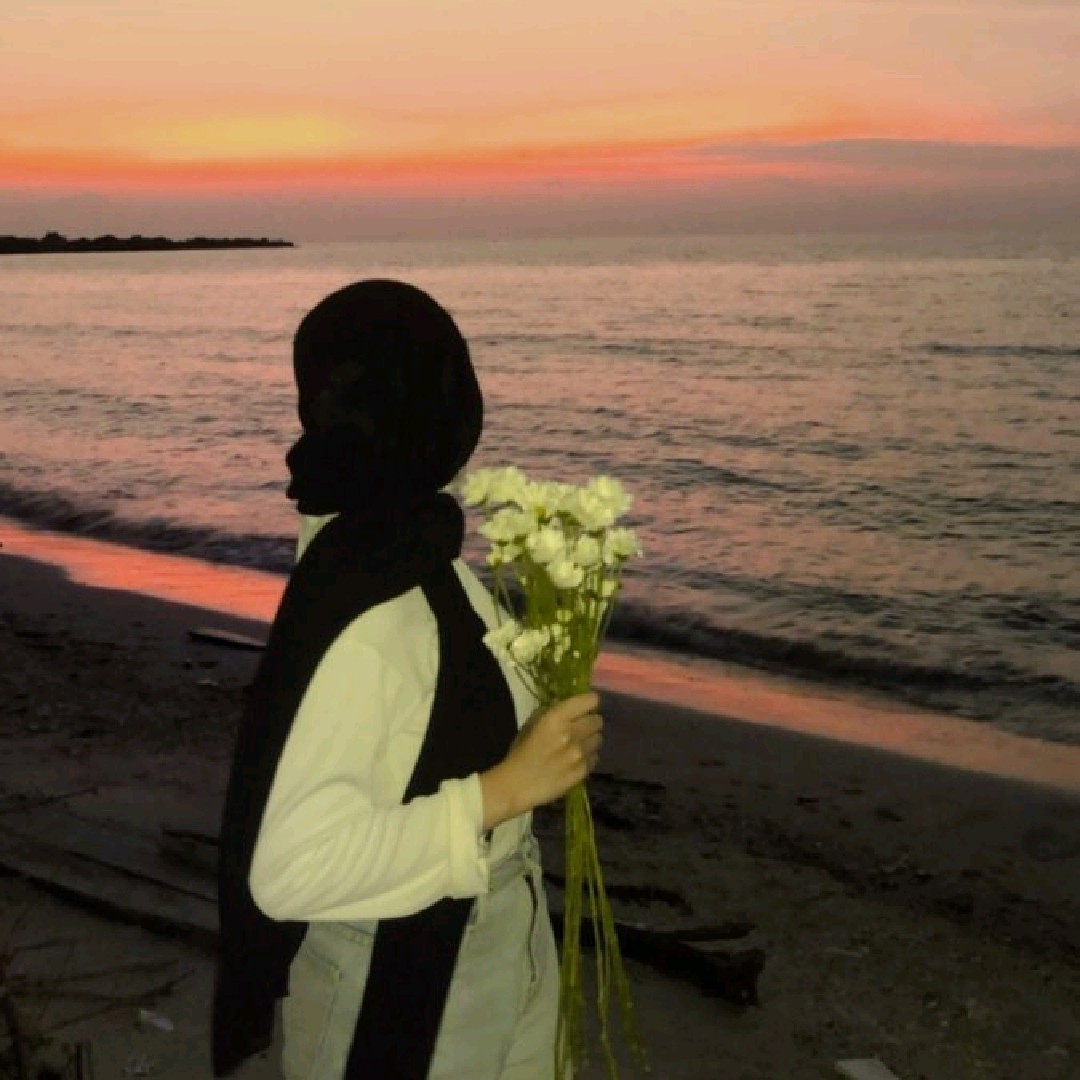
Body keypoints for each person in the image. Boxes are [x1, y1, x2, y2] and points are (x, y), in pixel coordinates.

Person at [211, 279, 603, 1080]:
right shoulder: (376, 596)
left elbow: (423, 719)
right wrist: (503, 791)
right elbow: (288, 870)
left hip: (491, 935)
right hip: (405, 986)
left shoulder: (395, 537)